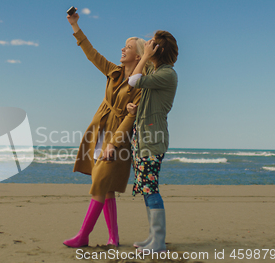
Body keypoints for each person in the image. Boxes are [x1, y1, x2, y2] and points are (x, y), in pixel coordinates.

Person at [63, 9, 151, 248]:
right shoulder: (113, 72)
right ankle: (114, 238)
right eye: (124, 46)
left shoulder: (142, 85)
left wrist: (113, 143)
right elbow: (91, 54)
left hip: (117, 138)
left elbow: (129, 120)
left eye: (128, 47)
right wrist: (74, 25)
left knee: (100, 182)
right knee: (107, 187)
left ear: (138, 56)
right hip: (99, 133)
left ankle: (83, 235)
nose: (123, 49)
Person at [126, 30, 179, 253]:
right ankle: (153, 237)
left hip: (152, 139)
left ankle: (158, 241)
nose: (148, 46)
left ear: (158, 50)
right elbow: (142, 86)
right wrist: (136, 109)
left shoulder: (168, 73)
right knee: (146, 189)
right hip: (143, 139)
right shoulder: (156, 70)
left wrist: (145, 55)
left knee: (151, 188)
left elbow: (133, 80)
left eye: (152, 44)